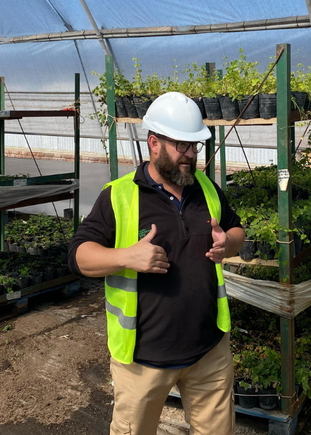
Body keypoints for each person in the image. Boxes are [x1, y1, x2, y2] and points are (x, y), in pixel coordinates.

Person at [68, 92, 245, 435]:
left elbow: (236, 229)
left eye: (195, 146)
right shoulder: (119, 196)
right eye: (182, 145)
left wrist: (229, 243)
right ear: (154, 143)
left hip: (208, 350)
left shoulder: (206, 189)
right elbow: (77, 255)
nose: (191, 155)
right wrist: (126, 256)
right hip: (142, 361)